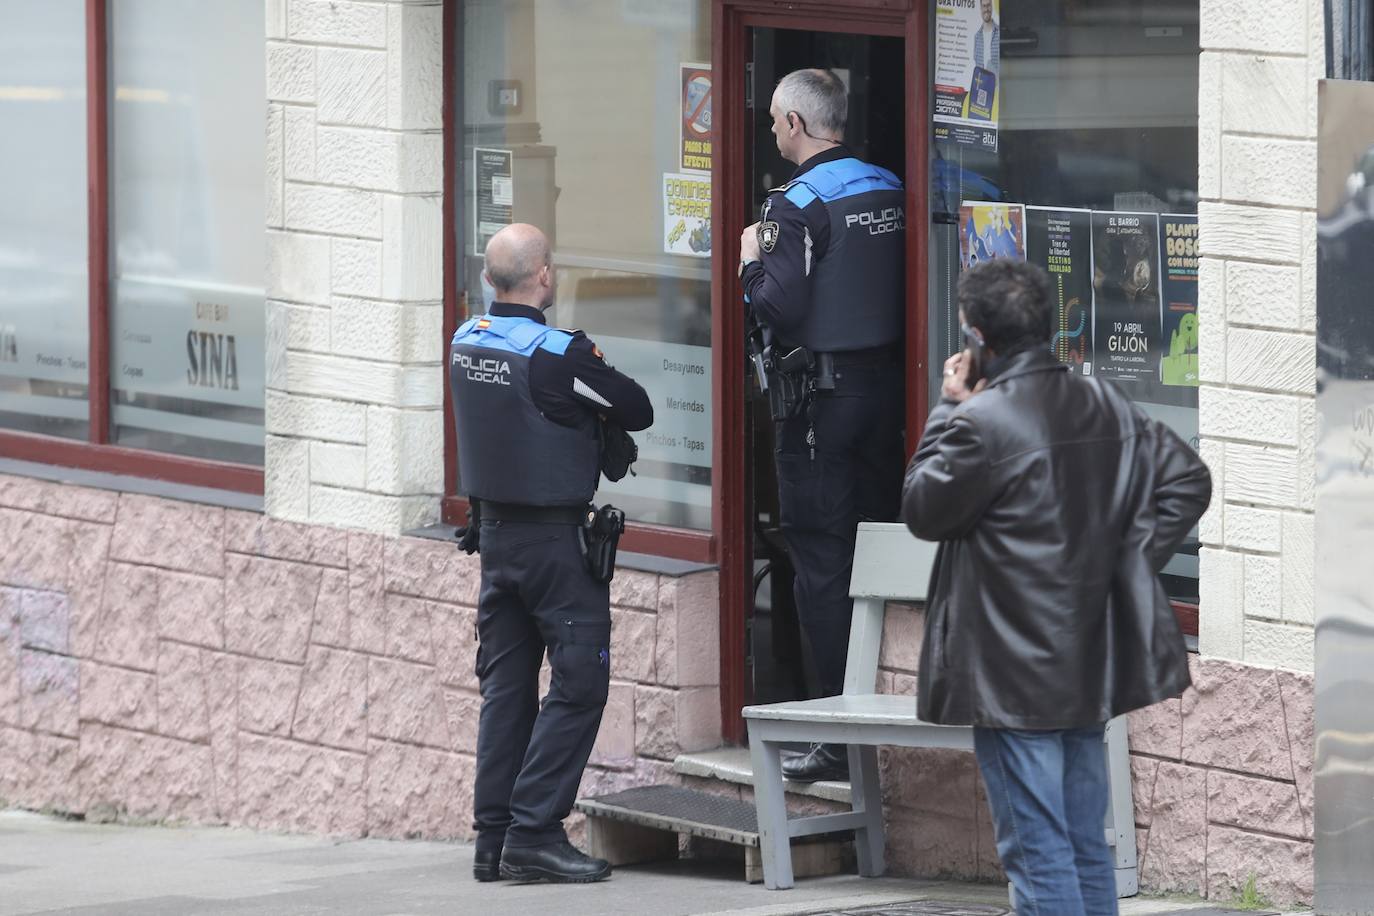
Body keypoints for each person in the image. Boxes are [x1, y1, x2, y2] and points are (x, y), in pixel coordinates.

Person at [900, 259, 1211, 915]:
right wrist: (1126, 559)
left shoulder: (977, 422)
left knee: (1040, 855)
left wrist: (945, 406)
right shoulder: (1102, 400)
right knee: (1082, 846)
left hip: (1013, 676)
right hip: (1083, 660)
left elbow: (923, 510)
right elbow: (1189, 478)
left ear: (978, 338)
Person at [450, 223, 653, 884]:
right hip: (556, 549)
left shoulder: (466, 340)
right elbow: (636, 406)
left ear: (489, 281)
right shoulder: (557, 354)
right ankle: (535, 831)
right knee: (580, 682)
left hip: (495, 541)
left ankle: (493, 839)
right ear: (546, 278)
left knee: (505, 690)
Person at [738, 68, 906, 782]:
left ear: (798, 126)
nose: (773, 130)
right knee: (874, 555)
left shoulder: (795, 203)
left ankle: (835, 734)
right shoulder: (889, 185)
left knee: (821, 567)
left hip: (819, 412)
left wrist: (750, 261)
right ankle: (873, 704)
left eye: (776, 119)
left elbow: (775, 305)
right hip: (888, 399)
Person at [972, 0, 1000, 75]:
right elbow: (976, 63)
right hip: (981, 83)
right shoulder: (977, 37)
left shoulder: (1000, 34)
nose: (986, 9)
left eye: (988, 5)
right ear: (980, 9)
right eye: (984, 6)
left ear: (992, 7)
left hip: (997, 84)